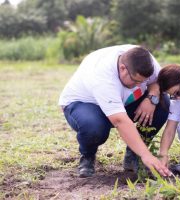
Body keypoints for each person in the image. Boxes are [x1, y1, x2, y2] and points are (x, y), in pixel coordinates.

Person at [59, 44, 171, 178]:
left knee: (162, 102)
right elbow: (119, 120)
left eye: (143, 82)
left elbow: (157, 81)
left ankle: (133, 155)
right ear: (122, 68)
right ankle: (88, 156)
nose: (138, 85)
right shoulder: (103, 76)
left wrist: (152, 96)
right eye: (135, 81)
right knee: (94, 128)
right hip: (84, 104)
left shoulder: (144, 60)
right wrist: (146, 154)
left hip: (121, 102)